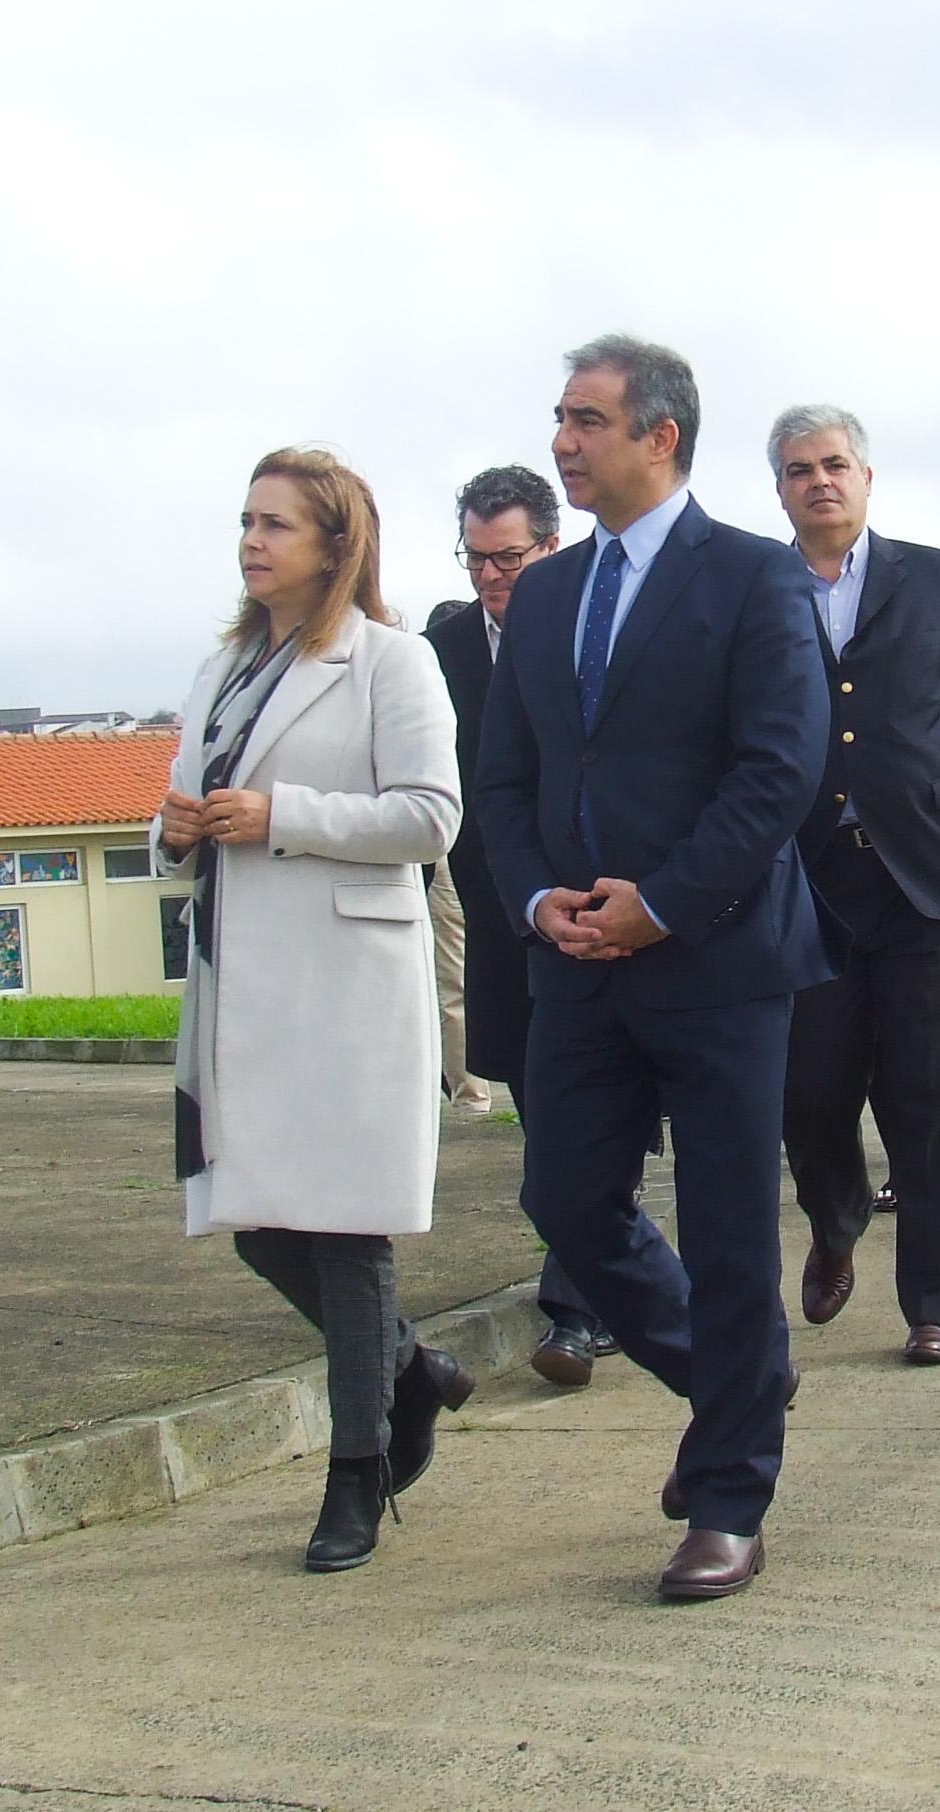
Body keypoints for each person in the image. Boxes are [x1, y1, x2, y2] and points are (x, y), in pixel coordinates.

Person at [474, 334, 830, 1599]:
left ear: (660, 436)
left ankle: (730, 1491)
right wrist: (536, 898)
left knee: (731, 1229)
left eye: (586, 419)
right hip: (574, 960)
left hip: (720, 960)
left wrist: (664, 903)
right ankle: (741, 1382)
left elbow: (781, 767)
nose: (563, 441)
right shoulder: (553, 593)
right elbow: (506, 776)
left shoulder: (752, 578)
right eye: (560, 417)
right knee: (566, 1200)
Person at [153, 447, 470, 1573]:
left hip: (343, 982)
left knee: (343, 1225)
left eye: (276, 524)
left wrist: (279, 814)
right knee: (254, 1213)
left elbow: (431, 818)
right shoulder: (222, 667)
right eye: (245, 519)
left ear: (337, 545)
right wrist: (178, 830)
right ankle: (412, 1370)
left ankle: (360, 1469)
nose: (251, 541)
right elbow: (180, 802)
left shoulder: (392, 660)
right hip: (242, 982)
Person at [771, 403, 940, 1369]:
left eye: (835, 463)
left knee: (936, 1101)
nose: (820, 481)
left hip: (930, 874)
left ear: (866, 477)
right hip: (806, 881)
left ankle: (934, 1302)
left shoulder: (935, 577)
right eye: (799, 469)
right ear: (781, 490)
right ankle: (835, 1215)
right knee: (807, 1087)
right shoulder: (755, 586)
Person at [424, 466, 623, 1389]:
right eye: (475, 559)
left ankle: (578, 1310)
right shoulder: (446, 645)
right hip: (505, 910)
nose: (491, 577)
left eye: (508, 557)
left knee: (588, 1111)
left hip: (613, 905)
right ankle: (612, 1280)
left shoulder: (608, 610)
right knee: (551, 1113)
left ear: (551, 544)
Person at [422, 598, 495, 1116]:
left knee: (456, 972)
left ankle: (473, 1092)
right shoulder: (434, 675)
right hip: (451, 842)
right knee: (457, 968)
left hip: (472, 838)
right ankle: (471, 1089)